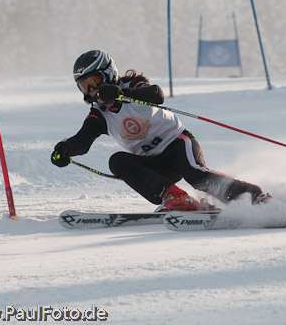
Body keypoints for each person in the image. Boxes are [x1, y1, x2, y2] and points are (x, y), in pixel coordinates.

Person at [51, 49, 271, 211]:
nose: (91, 90)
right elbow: (82, 141)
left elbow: (156, 95)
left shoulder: (132, 88)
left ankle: (254, 196)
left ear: (109, 73)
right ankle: (175, 198)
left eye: (95, 81)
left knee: (195, 175)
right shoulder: (99, 115)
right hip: (154, 164)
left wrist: (119, 93)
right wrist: (65, 149)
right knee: (117, 160)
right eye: (84, 85)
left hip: (177, 145)